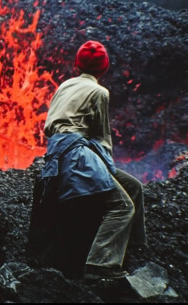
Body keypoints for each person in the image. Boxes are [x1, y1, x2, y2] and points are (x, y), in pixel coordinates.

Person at [39, 40, 147, 281]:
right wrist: (107, 166)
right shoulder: (100, 92)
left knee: (134, 186)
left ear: (77, 64)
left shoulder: (65, 85)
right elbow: (101, 136)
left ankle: (130, 247)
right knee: (122, 206)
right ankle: (100, 263)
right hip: (79, 155)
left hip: (58, 152)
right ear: (104, 68)